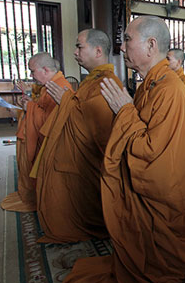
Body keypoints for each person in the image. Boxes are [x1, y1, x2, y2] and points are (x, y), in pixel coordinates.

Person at [63, 16, 185, 283]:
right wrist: (126, 111)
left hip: (173, 189)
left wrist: (124, 111)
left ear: (151, 45)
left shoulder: (168, 88)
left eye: (128, 40)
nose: (121, 48)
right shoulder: (151, 84)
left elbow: (153, 155)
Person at [30, 29, 122, 243]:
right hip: (78, 153)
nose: (74, 52)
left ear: (98, 51)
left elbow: (97, 129)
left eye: (79, 47)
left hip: (91, 157)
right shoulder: (92, 80)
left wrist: (67, 102)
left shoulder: (107, 82)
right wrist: (68, 102)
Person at [0, 53, 72, 212]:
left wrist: (30, 108)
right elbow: (41, 107)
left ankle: (41, 199)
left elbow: (53, 122)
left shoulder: (60, 86)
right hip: (35, 134)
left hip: (49, 142)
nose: (31, 76)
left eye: (32, 71)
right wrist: (30, 104)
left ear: (45, 70)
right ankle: (33, 195)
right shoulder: (49, 85)